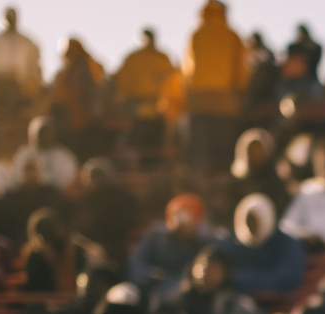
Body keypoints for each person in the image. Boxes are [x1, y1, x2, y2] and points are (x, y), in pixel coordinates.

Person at [182, 0, 249, 171]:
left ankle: (200, 186)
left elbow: (188, 70)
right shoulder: (232, 36)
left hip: (199, 102)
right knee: (224, 151)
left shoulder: (197, 34)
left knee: (200, 152)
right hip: (225, 102)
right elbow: (241, 72)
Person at [217, 193, 305, 296]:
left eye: (254, 221)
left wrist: (237, 278)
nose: (251, 226)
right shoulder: (237, 245)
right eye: (249, 222)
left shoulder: (287, 243)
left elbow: (287, 278)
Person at [128, 194, 215, 298]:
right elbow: (135, 262)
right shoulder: (156, 235)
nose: (181, 228)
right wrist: (149, 275)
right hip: (149, 289)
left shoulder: (205, 243)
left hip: (185, 295)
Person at [113, 29, 176, 150]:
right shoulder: (161, 58)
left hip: (148, 105)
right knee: (153, 137)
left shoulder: (134, 58)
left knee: (142, 137)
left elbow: (121, 84)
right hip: (149, 105)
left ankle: (143, 159)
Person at [20, 207, 106, 292]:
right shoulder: (36, 256)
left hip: (76, 298)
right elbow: (36, 286)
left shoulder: (78, 250)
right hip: (47, 300)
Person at [0, 6, 41, 100]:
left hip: (18, 86)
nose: (10, 20)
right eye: (8, 17)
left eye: (12, 17)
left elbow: (34, 67)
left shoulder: (26, 42)